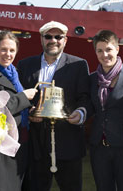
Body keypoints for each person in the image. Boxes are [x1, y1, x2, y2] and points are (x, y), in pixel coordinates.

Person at [17, 21, 90, 191]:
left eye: (58, 37)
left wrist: (80, 113)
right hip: (36, 145)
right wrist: (29, 112)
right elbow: (19, 97)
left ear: (65, 40)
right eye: (48, 36)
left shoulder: (78, 65)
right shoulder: (25, 65)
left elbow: (85, 98)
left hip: (69, 141)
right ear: (41, 39)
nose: (53, 40)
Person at [0, 30, 37, 191]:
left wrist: (30, 110)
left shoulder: (14, 73)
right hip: (0, 146)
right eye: (3, 49)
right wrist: (24, 97)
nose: (8, 54)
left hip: (21, 143)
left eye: (12, 50)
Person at [87, 30, 123, 191]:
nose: (105, 55)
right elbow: (90, 106)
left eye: (109, 49)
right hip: (99, 148)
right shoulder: (92, 79)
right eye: (100, 50)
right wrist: (80, 113)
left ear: (117, 49)